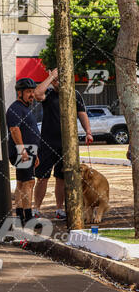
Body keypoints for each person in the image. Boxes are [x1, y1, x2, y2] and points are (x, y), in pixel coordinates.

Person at [33, 68, 93, 219]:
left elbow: (82, 114)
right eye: (55, 79)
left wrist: (88, 132)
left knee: (61, 178)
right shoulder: (48, 94)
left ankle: (59, 209)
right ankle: (36, 209)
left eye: (59, 79)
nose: (57, 82)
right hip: (47, 142)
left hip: (67, 143)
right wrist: (51, 77)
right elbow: (37, 94)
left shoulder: (75, 94)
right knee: (42, 177)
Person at [6, 78, 40, 226]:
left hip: (29, 150)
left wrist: (34, 154)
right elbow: (14, 129)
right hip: (23, 150)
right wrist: (22, 150)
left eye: (32, 91)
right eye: (28, 92)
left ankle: (20, 216)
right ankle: (29, 217)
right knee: (29, 182)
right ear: (19, 93)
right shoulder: (16, 108)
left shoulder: (25, 108)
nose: (31, 94)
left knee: (21, 183)